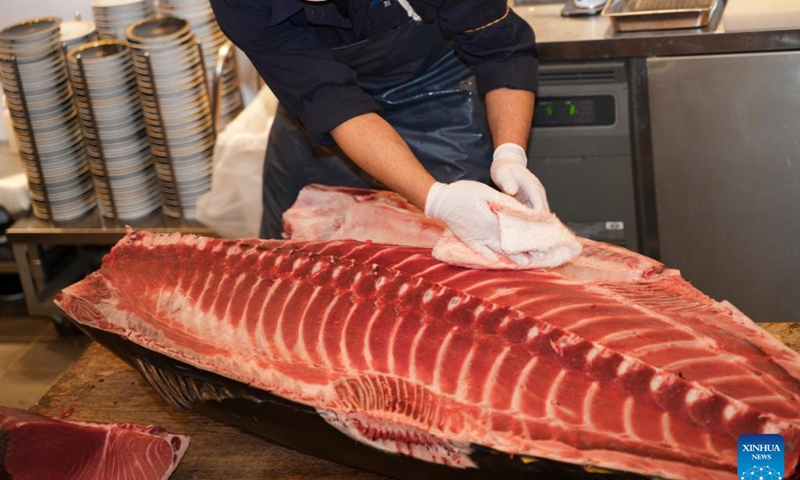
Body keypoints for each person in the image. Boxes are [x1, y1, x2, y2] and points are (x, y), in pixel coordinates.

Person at [210, 0, 549, 264]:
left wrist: (509, 155)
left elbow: (501, 49)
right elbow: (332, 102)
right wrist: (435, 198)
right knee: (294, 264)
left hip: (436, 86)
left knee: (458, 268)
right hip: (320, 105)